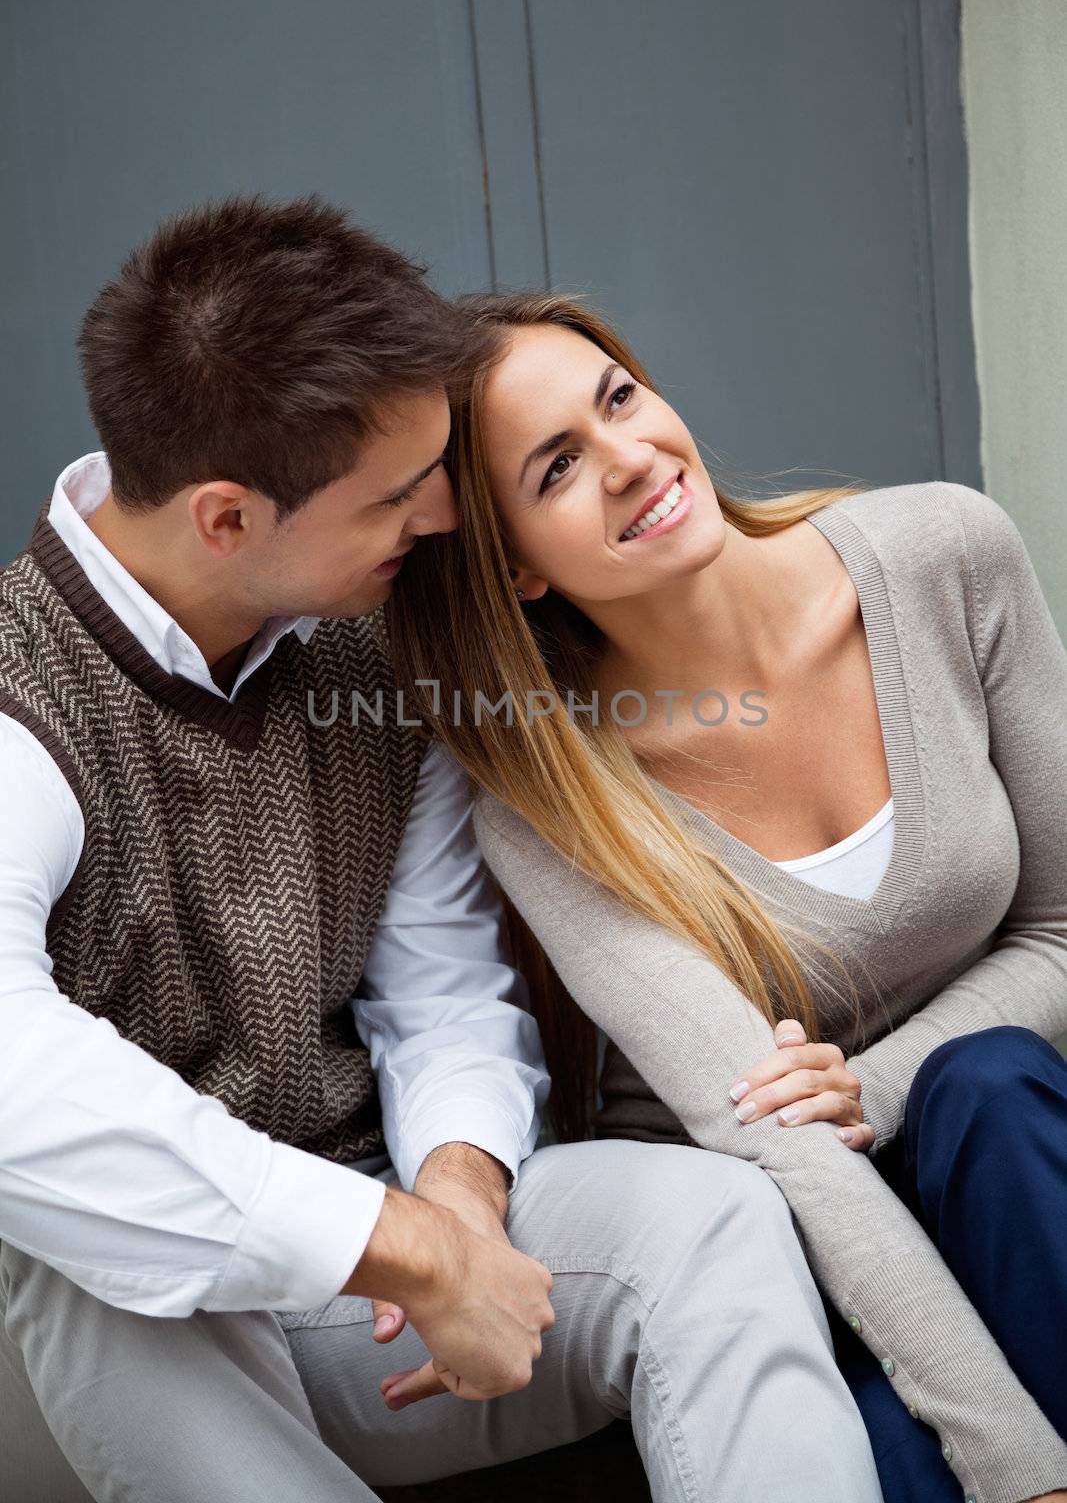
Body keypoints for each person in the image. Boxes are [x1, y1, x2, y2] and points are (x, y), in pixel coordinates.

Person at [0, 196, 886, 1503]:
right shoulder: (23, 698)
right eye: (397, 496)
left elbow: (437, 987)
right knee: (82, 1262)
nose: (441, 519)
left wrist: (459, 1205)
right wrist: (399, 1250)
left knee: (708, 1219)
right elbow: (19, 1080)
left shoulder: (371, 659)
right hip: (99, 1349)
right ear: (229, 519)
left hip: (357, 1296)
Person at [387, 290, 1067, 1503]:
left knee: (989, 1085)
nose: (630, 458)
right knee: (902, 1464)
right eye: (556, 470)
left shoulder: (946, 558)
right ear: (515, 569)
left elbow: (1063, 929)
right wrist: (1022, 1476)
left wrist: (876, 1079)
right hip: (790, 1236)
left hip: (1002, 1158)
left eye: (617, 399)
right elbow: (778, 1145)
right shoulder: (553, 795)